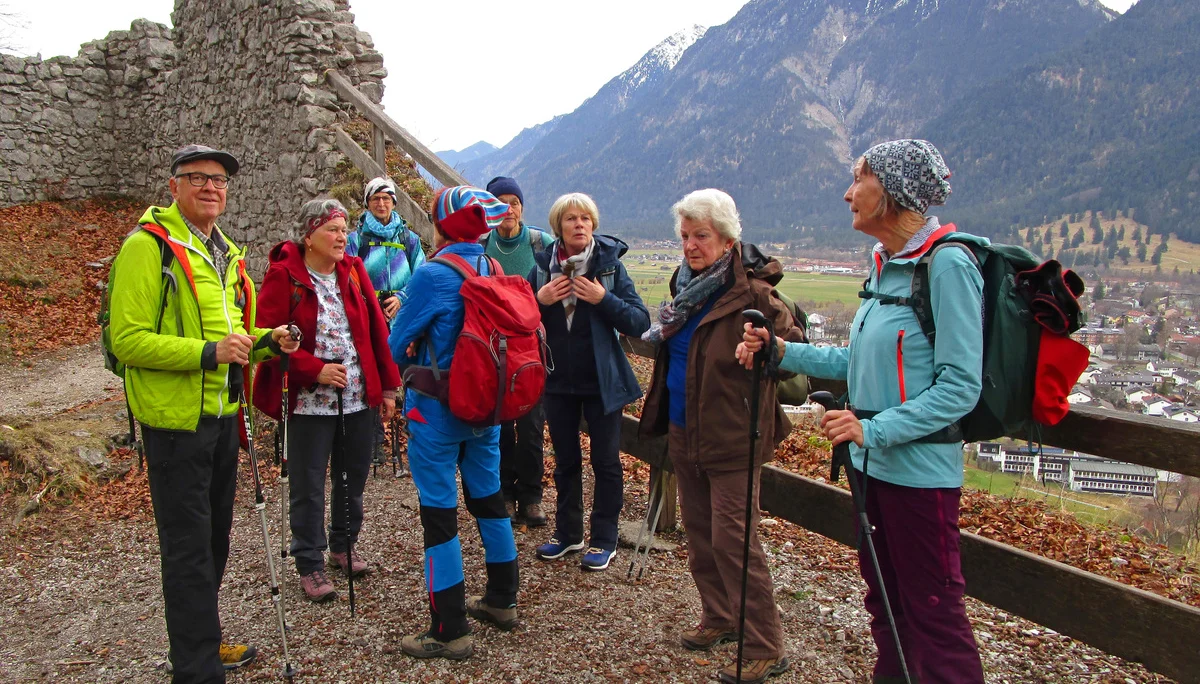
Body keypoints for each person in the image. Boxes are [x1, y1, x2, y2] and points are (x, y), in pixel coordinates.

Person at [739, 139, 986, 683]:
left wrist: (871, 429)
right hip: (873, 470)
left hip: (920, 478)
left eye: (860, 179)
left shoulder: (946, 267)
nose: (848, 192)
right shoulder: (886, 266)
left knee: (934, 616)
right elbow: (858, 360)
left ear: (894, 191)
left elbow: (959, 387)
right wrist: (781, 351)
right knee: (887, 609)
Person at [108, 144, 300, 683]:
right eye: (197, 178)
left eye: (219, 180)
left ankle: (203, 642)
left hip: (222, 419)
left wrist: (267, 341)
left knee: (214, 538)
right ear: (174, 187)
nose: (211, 187)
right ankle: (194, 668)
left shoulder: (226, 254)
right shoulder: (149, 250)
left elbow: (232, 337)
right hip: (174, 422)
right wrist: (206, 354)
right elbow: (128, 341)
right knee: (188, 546)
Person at [638, 188, 802, 684]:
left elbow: (794, 356)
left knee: (736, 540)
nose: (690, 245)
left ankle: (766, 645)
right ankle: (719, 617)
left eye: (701, 236)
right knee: (701, 535)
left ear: (728, 240)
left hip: (735, 435)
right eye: (685, 236)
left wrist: (767, 349)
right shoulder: (683, 285)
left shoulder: (754, 295)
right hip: (687, 431)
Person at [388, 186, 520, 661]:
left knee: (439, 512)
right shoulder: (492, 267)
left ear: (441, 225)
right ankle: (503, 599)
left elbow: (394, 342)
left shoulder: (432, 274)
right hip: (486, 408)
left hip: (436, 411)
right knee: (488, 498)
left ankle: (449, 628)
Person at [253, 198, 401, 603]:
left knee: (352, 478)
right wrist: (312, 369)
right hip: (306, 404)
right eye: (332, 229)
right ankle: (310, 563)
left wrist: (387, 388)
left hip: (356, 398)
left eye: (343, 228)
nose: (341, 237)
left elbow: (376, 331)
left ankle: (343, 545)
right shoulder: (285, 276)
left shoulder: (353, 273)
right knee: (308, 484)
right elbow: (266, 336)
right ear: (308, 236)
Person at [530, 192, 649, 571]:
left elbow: (639, 321)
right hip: (557, 382)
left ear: (593, 225)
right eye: (571, 219)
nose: (579, 224)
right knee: (565, 462)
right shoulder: (540, 268)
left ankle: (604, 538)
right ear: (558, 228)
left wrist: (602, 298)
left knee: (605, 462)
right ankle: (568, 535)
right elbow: (520, 322)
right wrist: (540, 300)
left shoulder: (609, 268)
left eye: (585, 218)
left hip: (602, 382)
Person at [481, 176, 552, 527]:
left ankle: (532, 496)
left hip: (532, 352)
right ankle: (504, 493)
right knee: (500, 425)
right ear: (488, 209)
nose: (508, 208)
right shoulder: (481, 245)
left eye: (514, 201)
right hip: (492, 352)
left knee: (531, 426)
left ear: (522, 207)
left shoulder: (542, 243)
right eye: (499, 202)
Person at [347, 177, 425, 475]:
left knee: (408, 374)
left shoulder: (409, 239)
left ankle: (411, 439)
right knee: (373, 375)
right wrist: (368, 301)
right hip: (368, 316)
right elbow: (349, 276)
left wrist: (402, 298)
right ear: (367, 203)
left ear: (394, 202)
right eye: (376, 198)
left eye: (386, 198)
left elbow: (421, 275)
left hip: (401, 317)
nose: (381, 204)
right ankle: (374, 445)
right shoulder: (357, 239)